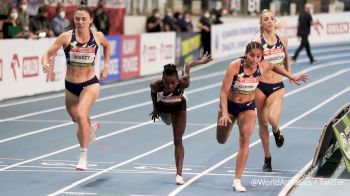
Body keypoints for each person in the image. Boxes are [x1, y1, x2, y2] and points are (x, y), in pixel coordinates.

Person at [217, 41, 308, 192]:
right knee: (221, 139)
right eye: (251, 55)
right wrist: (225, 113)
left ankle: (237, 180)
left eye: (258, 56)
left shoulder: (263, 65)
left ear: (261, 57)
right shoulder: (235, 66)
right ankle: (225, 123)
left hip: (247, 107)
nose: (254, 59)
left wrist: (291, 75)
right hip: (230, 106)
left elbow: (274, 67)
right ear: (246, 54)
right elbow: (223, 92)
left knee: (245, 138)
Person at [41, 5, 110, 171]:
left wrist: (106, 65)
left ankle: (83, 157)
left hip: (90, 83)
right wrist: (45, 62)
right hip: (71, 85)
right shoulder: (66, 37)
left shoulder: (97, 36)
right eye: (77, 18)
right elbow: (47, 53)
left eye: (84, 19)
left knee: (80, 114)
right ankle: (91, 127)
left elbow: (107, 46)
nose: (80, 22)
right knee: (77, 119)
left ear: (91, 20)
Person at [150, 52, 213, 185]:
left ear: (177, 80)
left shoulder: (184, 83)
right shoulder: (156, 84)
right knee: (167, 122)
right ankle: (167, 117)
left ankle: (179, 174)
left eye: (173, 83)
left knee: (177, 139)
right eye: (166, 83)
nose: (170, 86)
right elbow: (153, 92)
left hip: (179, 107)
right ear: (162, 80)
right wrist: (155, 108)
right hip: (164, 109)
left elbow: (187, 65)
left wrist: (201, 61)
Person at [255, 9, 294, 172]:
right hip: (259, 86)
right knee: (262, 123)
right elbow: (250, 64)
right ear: (261, 23)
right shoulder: (257, 42)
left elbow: (286, 58)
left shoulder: (282, 39)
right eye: (266, 19)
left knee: (272, 118)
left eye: (272, 19)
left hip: (277, 86)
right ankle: (267, 157)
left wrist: (289, 74)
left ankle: (277, 131)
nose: (270, 21)